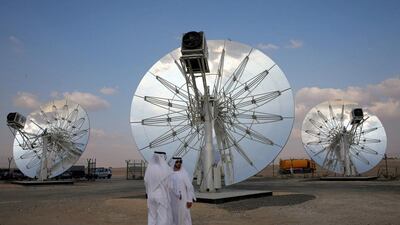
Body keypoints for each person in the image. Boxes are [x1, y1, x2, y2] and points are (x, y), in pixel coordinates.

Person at [144, 151, 173, 225]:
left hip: (151, 196)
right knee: (162, 218)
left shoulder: (149, 168)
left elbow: (146, 182)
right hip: (161, 196)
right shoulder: (166, 168)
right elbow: (169, 185)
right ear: (162, 157)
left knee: (152, 217)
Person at [169, 157, 196, 225]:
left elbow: (189, 187)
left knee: (184, 217)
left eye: (180, 162)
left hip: (182, 200)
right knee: (174, 216)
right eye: (177, 162)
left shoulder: (184, 174)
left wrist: (189, 200)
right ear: (173, 163)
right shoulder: (169, 174)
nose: (179, 163)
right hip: (172, 201)